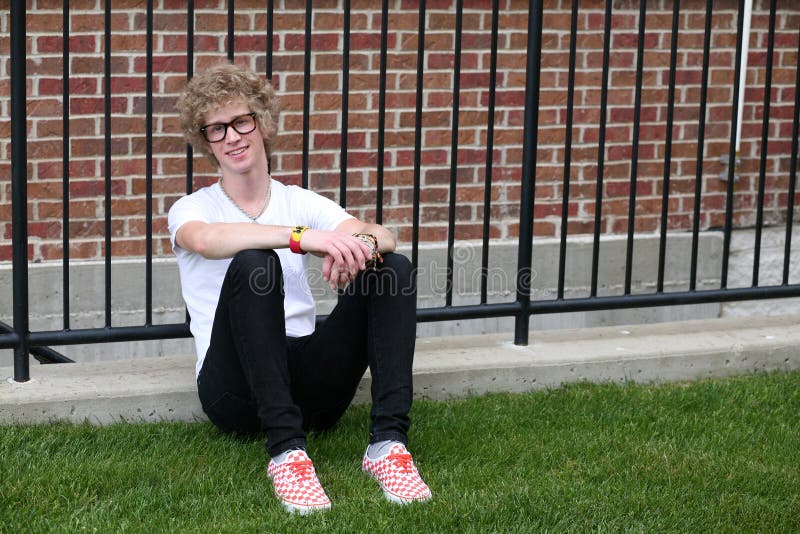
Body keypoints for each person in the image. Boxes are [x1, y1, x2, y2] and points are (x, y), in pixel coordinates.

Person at [167, 62, 431, 515]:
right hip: (234, 391)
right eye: (216, 129)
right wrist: (302, 238)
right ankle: (287, 453)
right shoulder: (193, 208)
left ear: (262, 122)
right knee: (255, 264)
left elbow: (381, 234)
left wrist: (358, 245)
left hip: (311, 387)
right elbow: (209, 241)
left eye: (241, 121)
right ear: (205, 141)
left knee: (394, 268)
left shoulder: (298, 199)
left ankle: (388, 446)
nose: (232, 137)